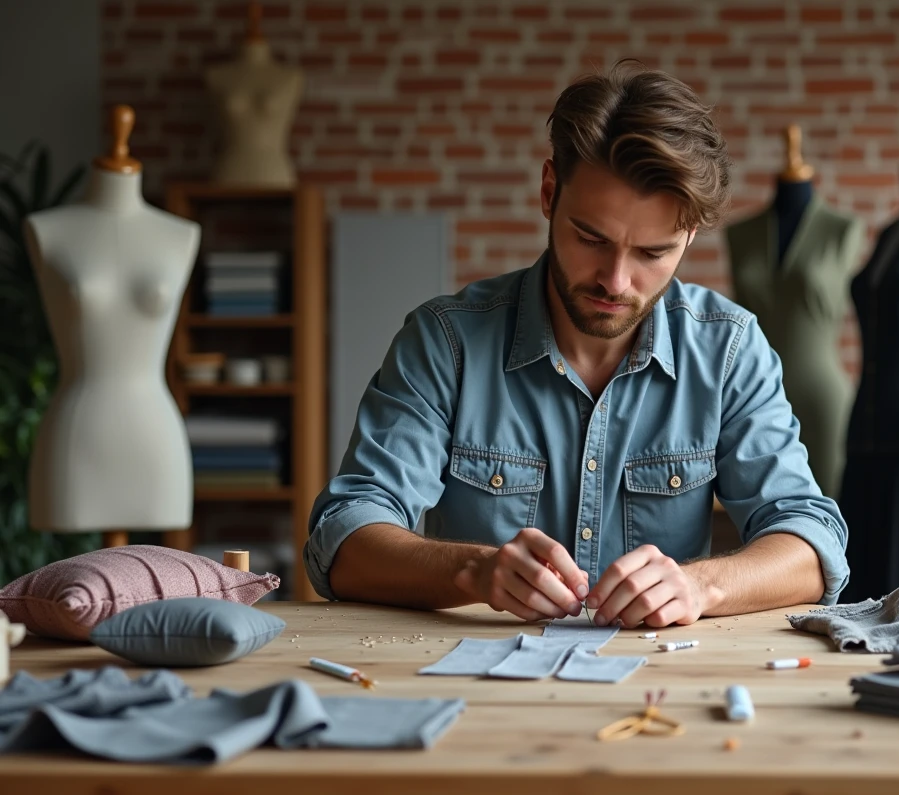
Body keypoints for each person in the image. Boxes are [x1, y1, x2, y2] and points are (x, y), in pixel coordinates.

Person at [304, 60, 849, 628]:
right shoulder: (446, 342)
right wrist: (475, 571)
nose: (616, 281)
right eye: (591, 238)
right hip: (475, 675)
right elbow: (342, 539)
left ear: (688, 235)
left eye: (652, 252)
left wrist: (699, 586)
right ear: (549, 192)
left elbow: (812, 545)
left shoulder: (728, 349)